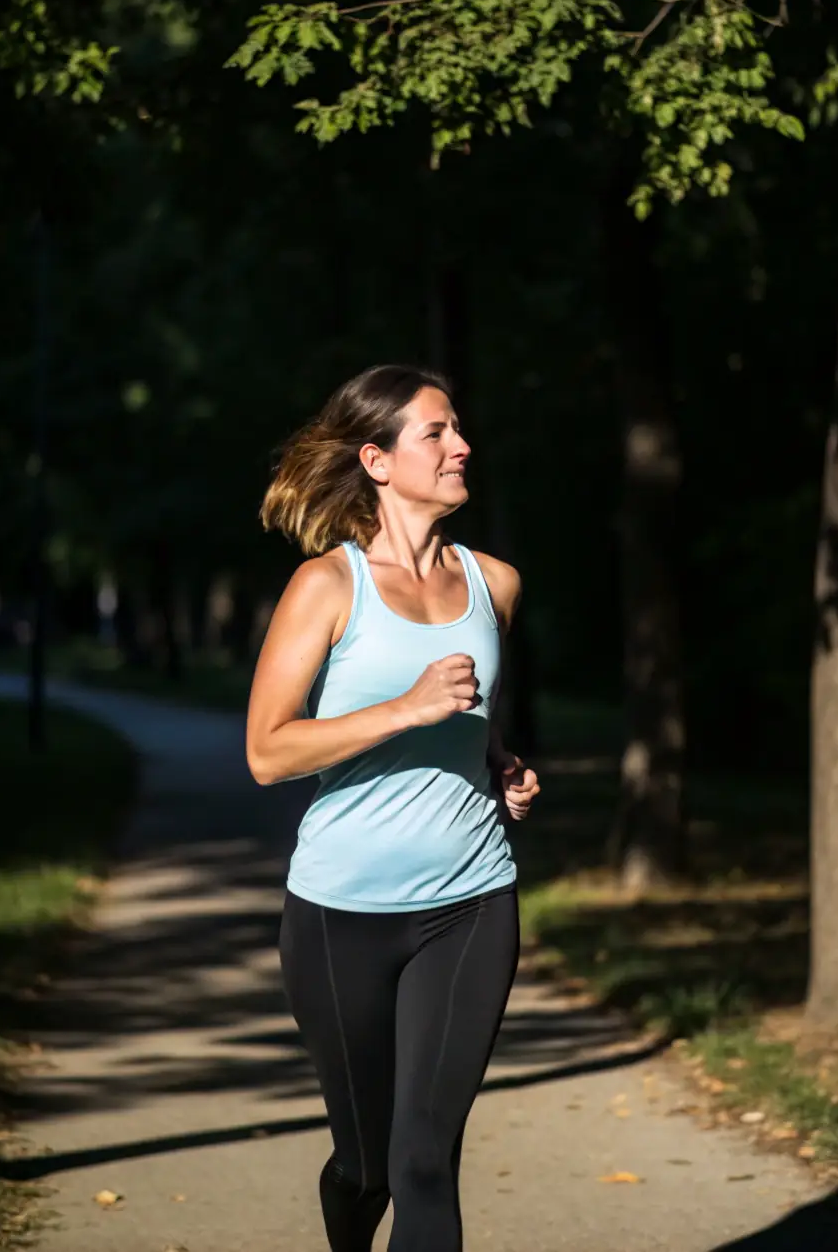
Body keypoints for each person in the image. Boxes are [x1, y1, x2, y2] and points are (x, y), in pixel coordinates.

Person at [245, 364, 539, 1252]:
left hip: (471, 901)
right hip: (342, 915)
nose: (462, 446)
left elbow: (476, 727)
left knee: (422, 1160)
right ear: (377, 459)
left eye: (458, 429)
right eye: (437, 433)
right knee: (369, 1163)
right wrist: (403, 708)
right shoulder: (327, 588)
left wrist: (501, 766)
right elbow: (267, 751)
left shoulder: (495, 583)